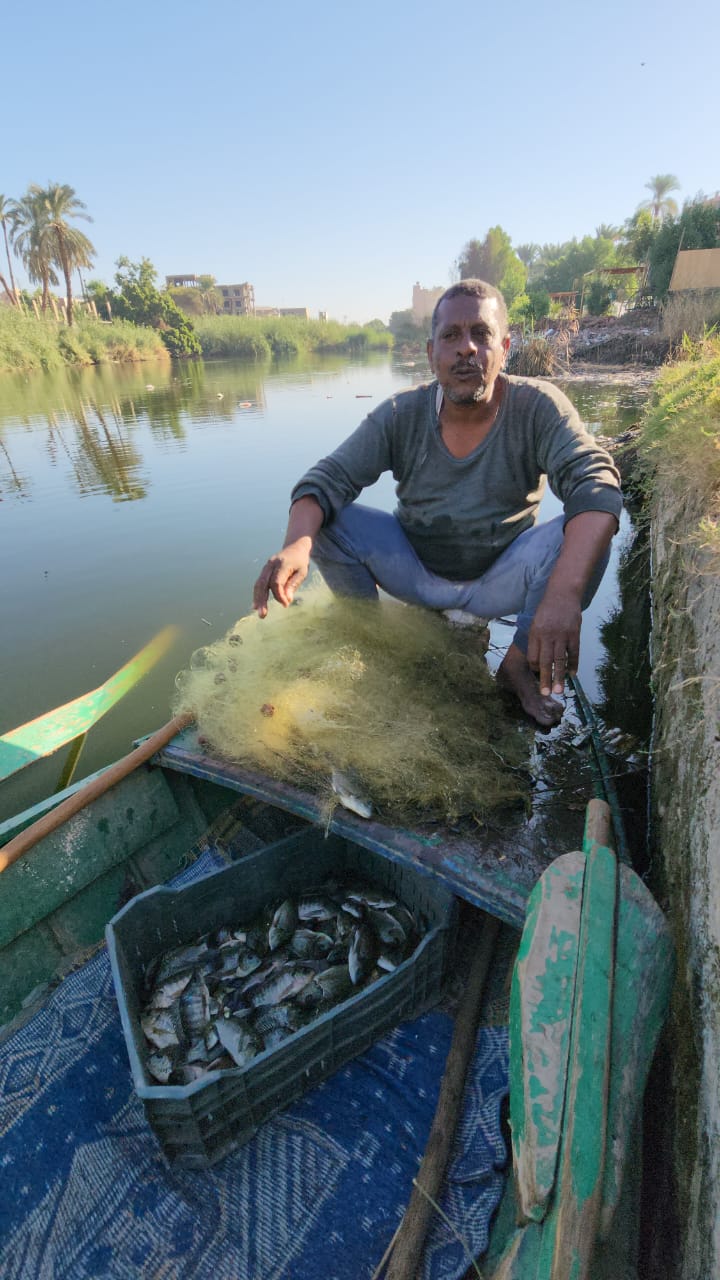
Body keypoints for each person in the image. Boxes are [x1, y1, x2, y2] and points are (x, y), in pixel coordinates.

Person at [252, 279, 622, 727]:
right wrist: (295, 545)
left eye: (481, 334)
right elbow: (327, 478)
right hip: (417, 572)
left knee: (587, 535)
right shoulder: (399, 414)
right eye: (451, 336)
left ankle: (517, 666)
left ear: (504, 347)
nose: (466, 348)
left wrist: (563, 594)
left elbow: (596, 483)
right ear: (431, 354)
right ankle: (375, 646)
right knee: (324, 524)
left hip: (499, 576)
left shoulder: (539, 407)